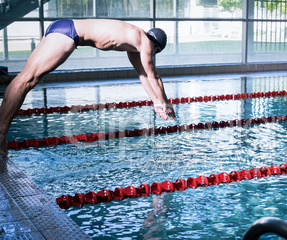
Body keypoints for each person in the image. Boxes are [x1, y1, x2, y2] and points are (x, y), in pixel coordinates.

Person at [0, 19, 176, 156]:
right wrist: (166, 104)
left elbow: (144, 76)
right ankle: (0, 134)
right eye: (155, 52)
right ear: (156, 46)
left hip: (64, 27)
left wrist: (157, 103)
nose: (153, 55)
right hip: (69, 34)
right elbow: (154, 76)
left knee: (26, 78)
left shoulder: (135, 43)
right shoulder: (145, 41)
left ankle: (1, 135)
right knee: (27, 80)